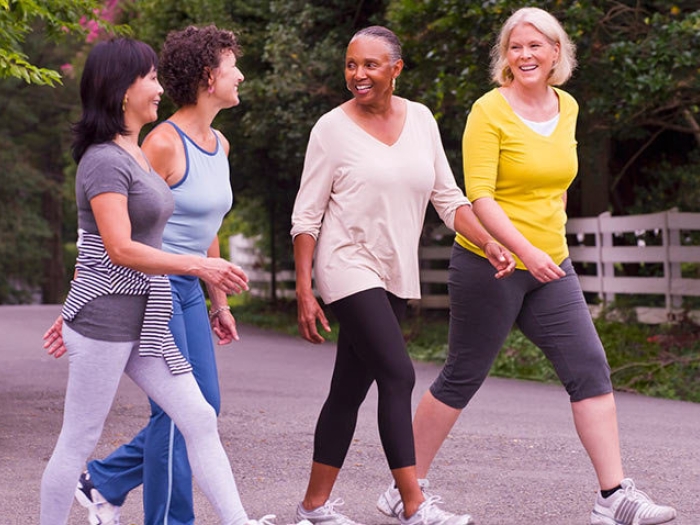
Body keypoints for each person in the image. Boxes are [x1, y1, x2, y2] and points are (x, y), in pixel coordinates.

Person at [375, 8, 678, 525]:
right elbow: (481, 198)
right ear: (505, 57)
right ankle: (405, 490)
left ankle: (613, 497)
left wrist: (547, 238)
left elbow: (557, 178)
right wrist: (524, 251)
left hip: (549, 267)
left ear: (556, 52)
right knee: (462, 375)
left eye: (536, 45)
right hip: (490, 265)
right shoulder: (487, 111)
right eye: (515, 47)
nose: (526, 55)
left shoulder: (569, 106)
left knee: (589, 369)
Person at [39, 36, 269, 525]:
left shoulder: (134, 153)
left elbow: (112, 242)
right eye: (149, 77)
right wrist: (200, 267)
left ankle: (239, 521)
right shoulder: (103, 159)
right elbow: (116, 247)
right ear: (122, 89)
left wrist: (212, 290)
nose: (160, 87)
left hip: (148, 317)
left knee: (200, 416)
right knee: (77, 438)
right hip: (104, 322)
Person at [290, 26, 515, 525]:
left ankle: (313, 505)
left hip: (394, 270)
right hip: (345, 263)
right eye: (351, 64)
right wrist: (305, 290)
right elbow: (306, 217)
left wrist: (490, 241)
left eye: (370, 64)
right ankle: (413, 503)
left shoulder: (421, 120)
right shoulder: (331, 128)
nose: (357, 75)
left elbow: (449, 199)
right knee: (399, 373)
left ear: (396, 68)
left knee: (347, 390)